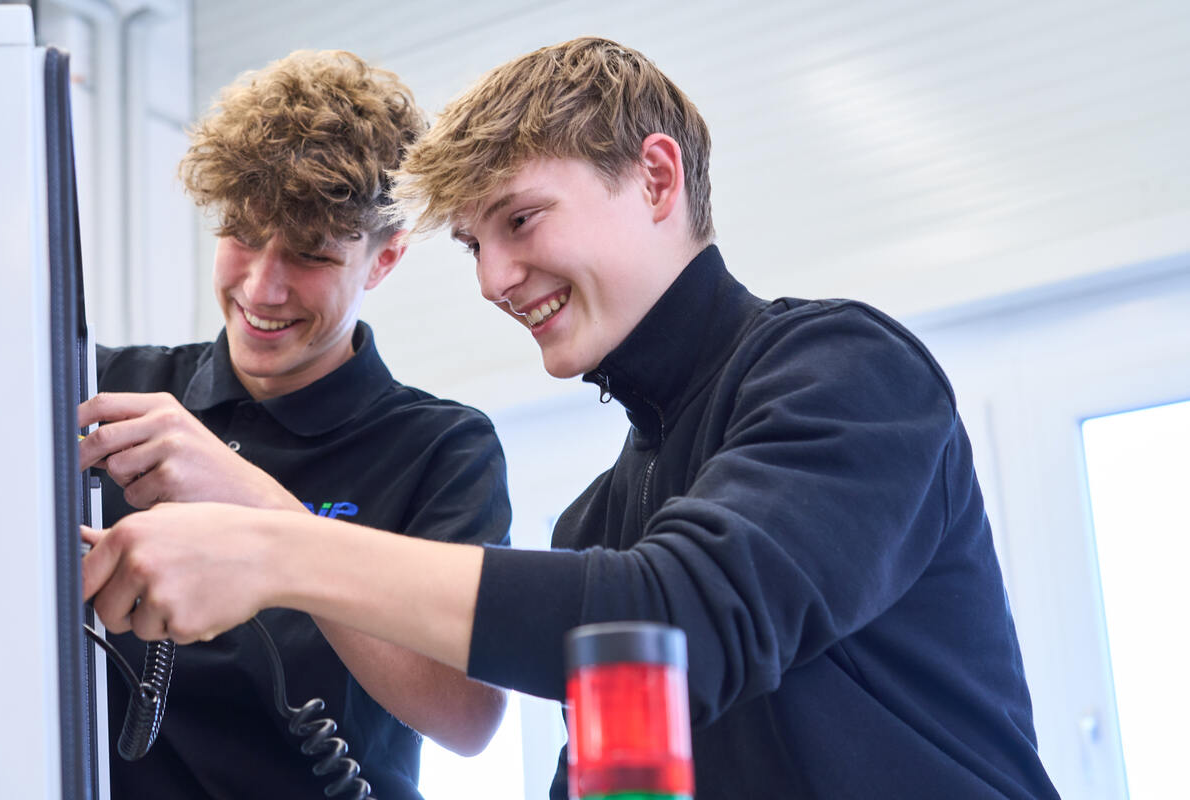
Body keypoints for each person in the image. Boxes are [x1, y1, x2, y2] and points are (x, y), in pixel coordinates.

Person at [83, 37, 1062, 799]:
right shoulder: (597, 520)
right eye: (472, 245)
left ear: (655, 178)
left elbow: (672, 622)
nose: (495, 279)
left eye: (519, 220)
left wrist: (275, 550)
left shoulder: (845, 371)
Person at [78, 50, 511, 800]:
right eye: (242, 235)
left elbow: (467, 718)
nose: (261, 286)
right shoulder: (107, 391)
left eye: (310, 254)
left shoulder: (439, 449)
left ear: (383, 260)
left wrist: (265, 511)